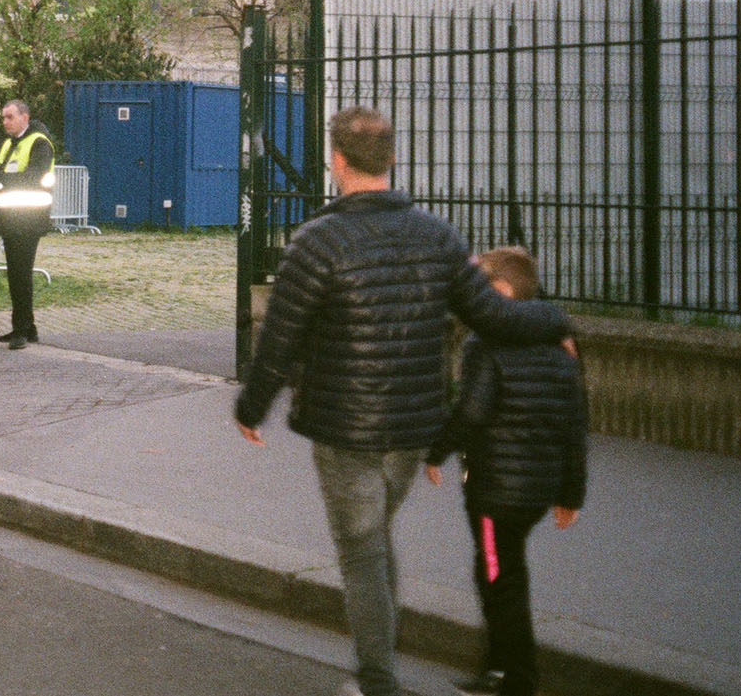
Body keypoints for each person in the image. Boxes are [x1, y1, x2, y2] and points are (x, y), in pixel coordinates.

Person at [233, 106, 571, 696]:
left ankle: (377, 682)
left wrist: (251, 408)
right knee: (375, 537)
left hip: (345, 430)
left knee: (361, 553)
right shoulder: (437, 237)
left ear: (336, 161)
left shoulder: (315, 243)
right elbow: (492, 313)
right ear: (391, 159)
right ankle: (378, 663)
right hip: (413, 429)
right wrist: (557, 320)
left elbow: (279, 340)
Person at [425, 247, 587, 696]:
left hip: (497, 492)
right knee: (500, 573)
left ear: (500, 291)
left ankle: (514, 680)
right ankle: (498, 670)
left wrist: (435, 452)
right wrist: (571, 494)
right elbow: (576, 423)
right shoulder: (561, 344)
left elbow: (471, 412)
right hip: (537, 489)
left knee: (500, 582)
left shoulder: (486, 344)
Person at [0, 99, 52, 350]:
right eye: (3, 118)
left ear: (24, 116)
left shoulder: (39, 143)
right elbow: (5, 180)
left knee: (21, 273)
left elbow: (33, 178)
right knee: (15, 273)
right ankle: (26, 327)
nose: (5, 122)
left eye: (9, 117)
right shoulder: (10, 144)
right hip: (11, 219)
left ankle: (22, 329)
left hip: (29, 218)